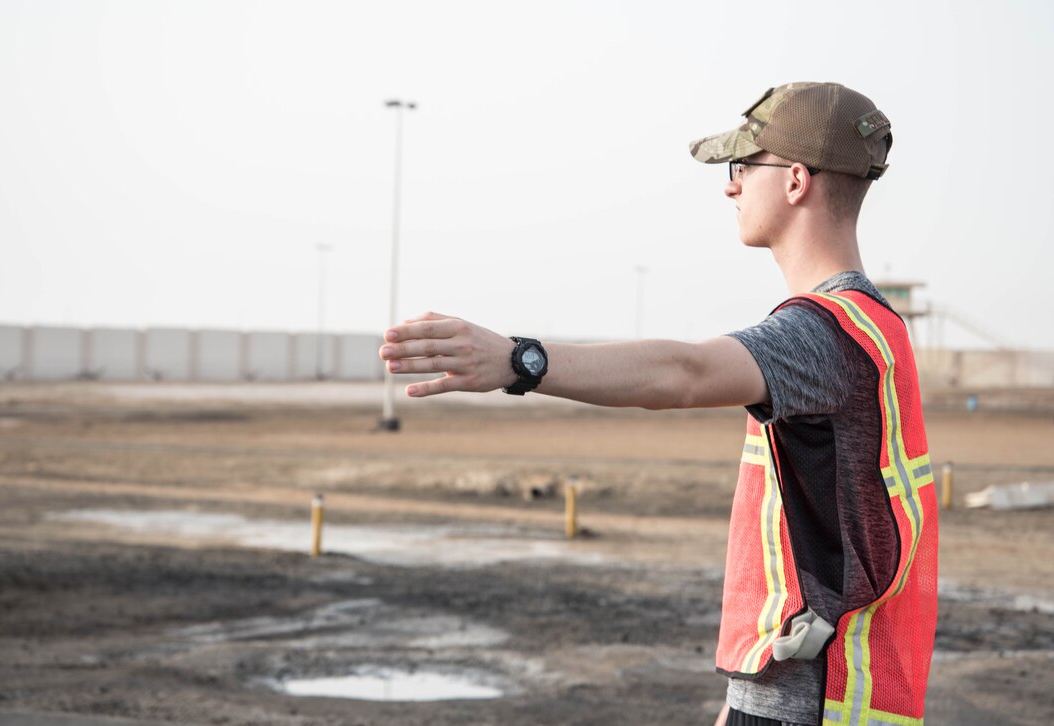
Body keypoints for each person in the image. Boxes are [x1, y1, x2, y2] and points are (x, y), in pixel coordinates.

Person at [379, 82, 938, 726]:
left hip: (813, 703)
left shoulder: (825, 333)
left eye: (741, 167)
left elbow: (686, 373)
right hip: (808, 688)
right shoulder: (874, 327)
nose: (729, 188)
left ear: (794, 181)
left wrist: (517, 359)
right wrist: (740, 703)